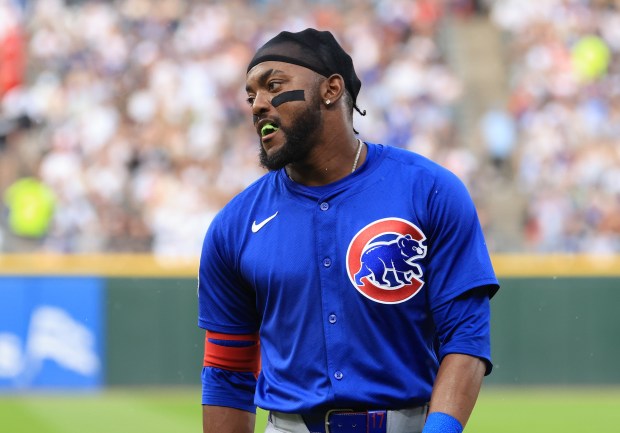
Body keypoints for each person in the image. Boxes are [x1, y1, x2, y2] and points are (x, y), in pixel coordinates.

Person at [198, 28, 499, 433]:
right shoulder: (233, 226)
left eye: (273, 86)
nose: (258, 105)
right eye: (251, 96)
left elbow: (465, 335)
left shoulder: (429, 191)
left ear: (331, 89)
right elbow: (228, 369)